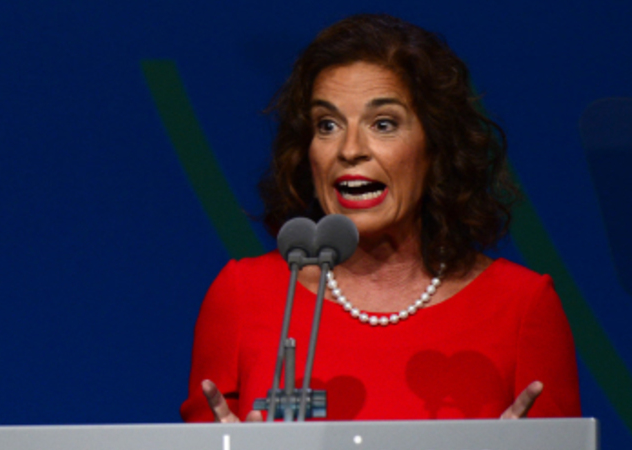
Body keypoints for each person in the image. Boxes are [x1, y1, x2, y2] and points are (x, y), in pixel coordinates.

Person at [180, 13, 581, 423]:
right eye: (327, 125)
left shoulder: (522, 307)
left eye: (383, 124)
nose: (350, 149)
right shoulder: (243, 297)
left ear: (435, 147)